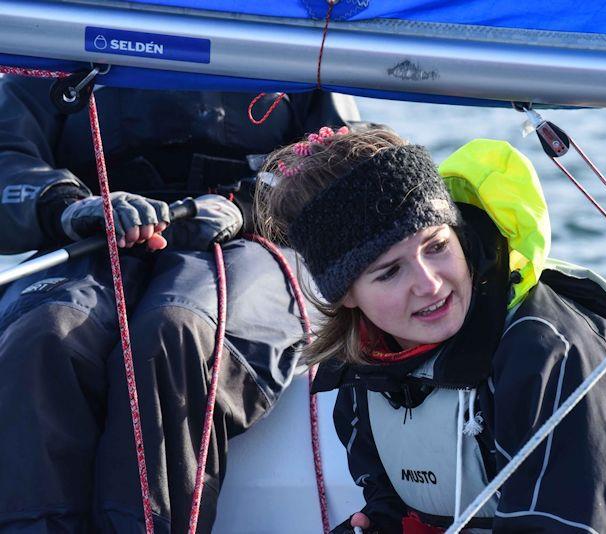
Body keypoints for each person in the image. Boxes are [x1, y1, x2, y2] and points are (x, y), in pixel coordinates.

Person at [257, 128, 606, 533]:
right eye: (389, 271)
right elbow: (398, 503)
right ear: (346, 293)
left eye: (436, 246)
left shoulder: (549, 354)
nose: (429, 282)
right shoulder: (363, 374)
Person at [0, 75, 355, 532]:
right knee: (45, 334)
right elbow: (9, 155)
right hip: (97, 235)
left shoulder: (296, 35)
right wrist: (66, 206)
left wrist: (249, 206)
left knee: (176, 330)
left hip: (250, 239)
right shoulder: (59, 41)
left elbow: (344, 159)